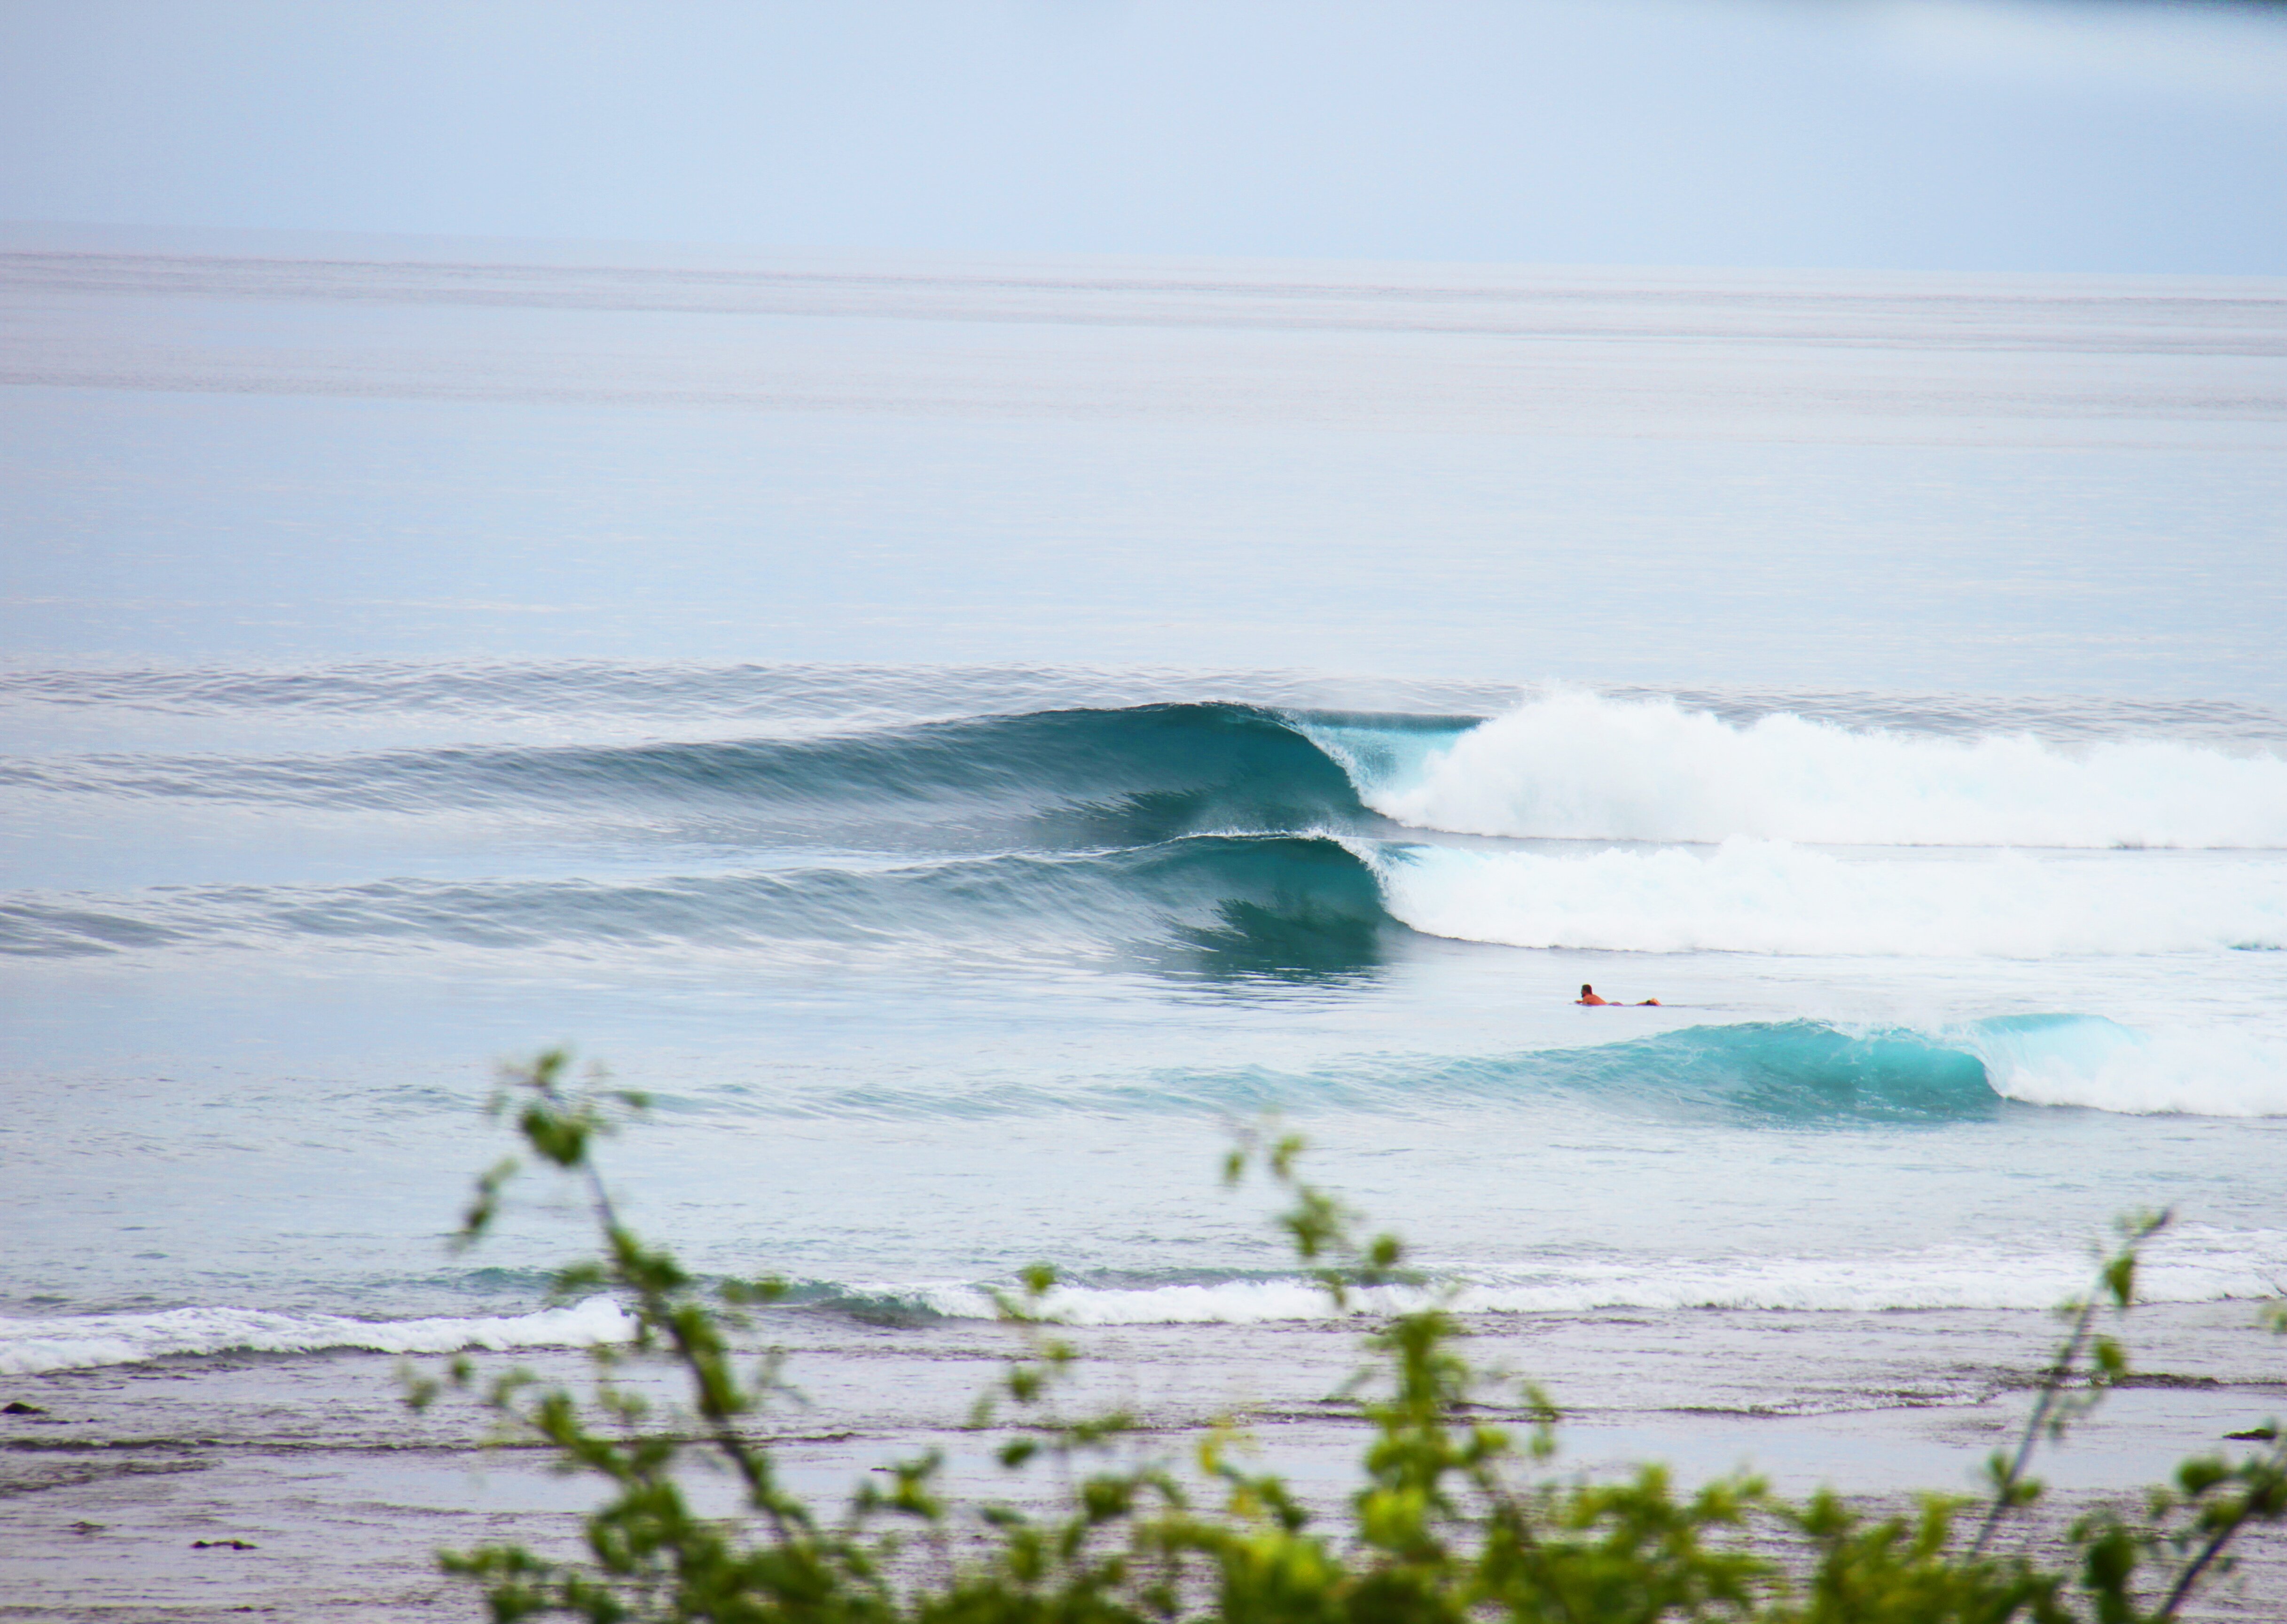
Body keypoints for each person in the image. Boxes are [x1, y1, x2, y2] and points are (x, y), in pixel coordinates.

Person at [1577, 984, 1660, 1006]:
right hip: (1612, 1003)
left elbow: (1585, 1005)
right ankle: (1649, 1002)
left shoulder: (1587, 998)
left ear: (1585, 991)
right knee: (1633, 1006)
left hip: (1610, 1005)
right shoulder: (1593, 997)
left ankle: (1650, 1002)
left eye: (1582, 991)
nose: (1581, 992)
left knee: (1634, 1006)